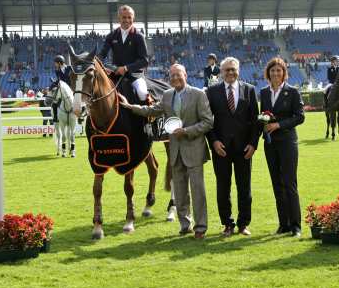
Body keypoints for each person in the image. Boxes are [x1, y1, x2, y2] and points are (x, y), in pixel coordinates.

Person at [120, 64, 213, 239]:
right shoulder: (168, 94)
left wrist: (186, 131)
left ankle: (200, 227)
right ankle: (185, 224)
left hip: (194, 149)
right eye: (172, 76)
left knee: (197, 190)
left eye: (178, 75)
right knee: (179, 190)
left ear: (185, 75)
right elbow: (152, 110)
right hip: (176, 150)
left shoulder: (198, 95)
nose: (175, 78)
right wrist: (130, 106)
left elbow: (208, 122)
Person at [206, 57, 260, 237]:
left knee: (245, 187)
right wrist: (213, 141)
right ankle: (227, 224)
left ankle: (243, 224)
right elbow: (207, 121)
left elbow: (256, 121)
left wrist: (253, 144)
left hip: (244, 149)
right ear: (221, 72)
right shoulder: (212, 92)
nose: (230, 72)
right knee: (223, 188)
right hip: (221, 148)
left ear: (238, 70)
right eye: (226, 70)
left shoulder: (250, 90)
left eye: (233, 69)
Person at [259, 58, 305, 237]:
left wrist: (278, 125)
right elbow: (263, 115)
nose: (275, 74)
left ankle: (296, 226)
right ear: (268, 73)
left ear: (284, 73)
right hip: (270, 144)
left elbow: (300, 116)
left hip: (287, 143)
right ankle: (283, 224)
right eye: (272, 71)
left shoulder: (292, 92)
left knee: (289, 184)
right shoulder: (263, 92)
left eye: (279, 71)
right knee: (277, 185)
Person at [98, 5, 149, 102]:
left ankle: (147, 116)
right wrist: (94, 61)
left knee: (142, 94)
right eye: (124, 17)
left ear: (133, 18)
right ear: (119, 18)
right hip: (115, 73)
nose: (127, 20)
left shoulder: (139, 36)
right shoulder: (111, 35)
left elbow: (145, 61)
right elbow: (102, 54)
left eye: (129, 17)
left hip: (134, 75)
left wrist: (126, 68)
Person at [53, 55, 73, 123]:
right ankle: (55, 117)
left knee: (79, 98)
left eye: (55, 63)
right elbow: (59, 80)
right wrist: (54, 83)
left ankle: (80, 116)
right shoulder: (57, 71)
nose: (55, 64)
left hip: (71, 88)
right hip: (62, 89)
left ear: (59, 63)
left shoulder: (70, 68)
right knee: (54, 101)